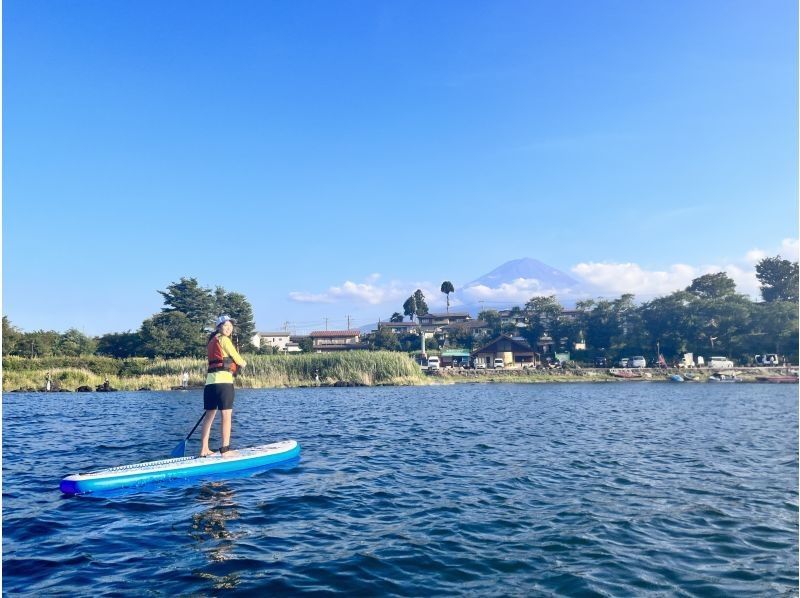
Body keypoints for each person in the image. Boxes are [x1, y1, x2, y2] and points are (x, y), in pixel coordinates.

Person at [200, 315, 247, 457]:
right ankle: (225, 450)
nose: (229, 328)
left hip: (210, 384)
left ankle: (204, 449)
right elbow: (237, 359)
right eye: (225, 326)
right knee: (226, 415)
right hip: (224, 383)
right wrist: (243, 364)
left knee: (209, 416)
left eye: (230, 326)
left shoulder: (211, 341)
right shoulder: (224, 340)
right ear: (219, 327)